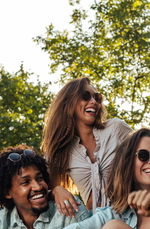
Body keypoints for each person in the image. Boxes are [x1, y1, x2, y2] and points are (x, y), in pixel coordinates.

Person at [41, 77, 132, 217]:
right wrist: (56, 190)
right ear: (68, 102)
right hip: (95, 223)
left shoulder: (116, 128)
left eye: (97, 98)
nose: (94, 102)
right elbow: (43, 192)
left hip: (132, 214)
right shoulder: (60, 149)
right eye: (85, 96)